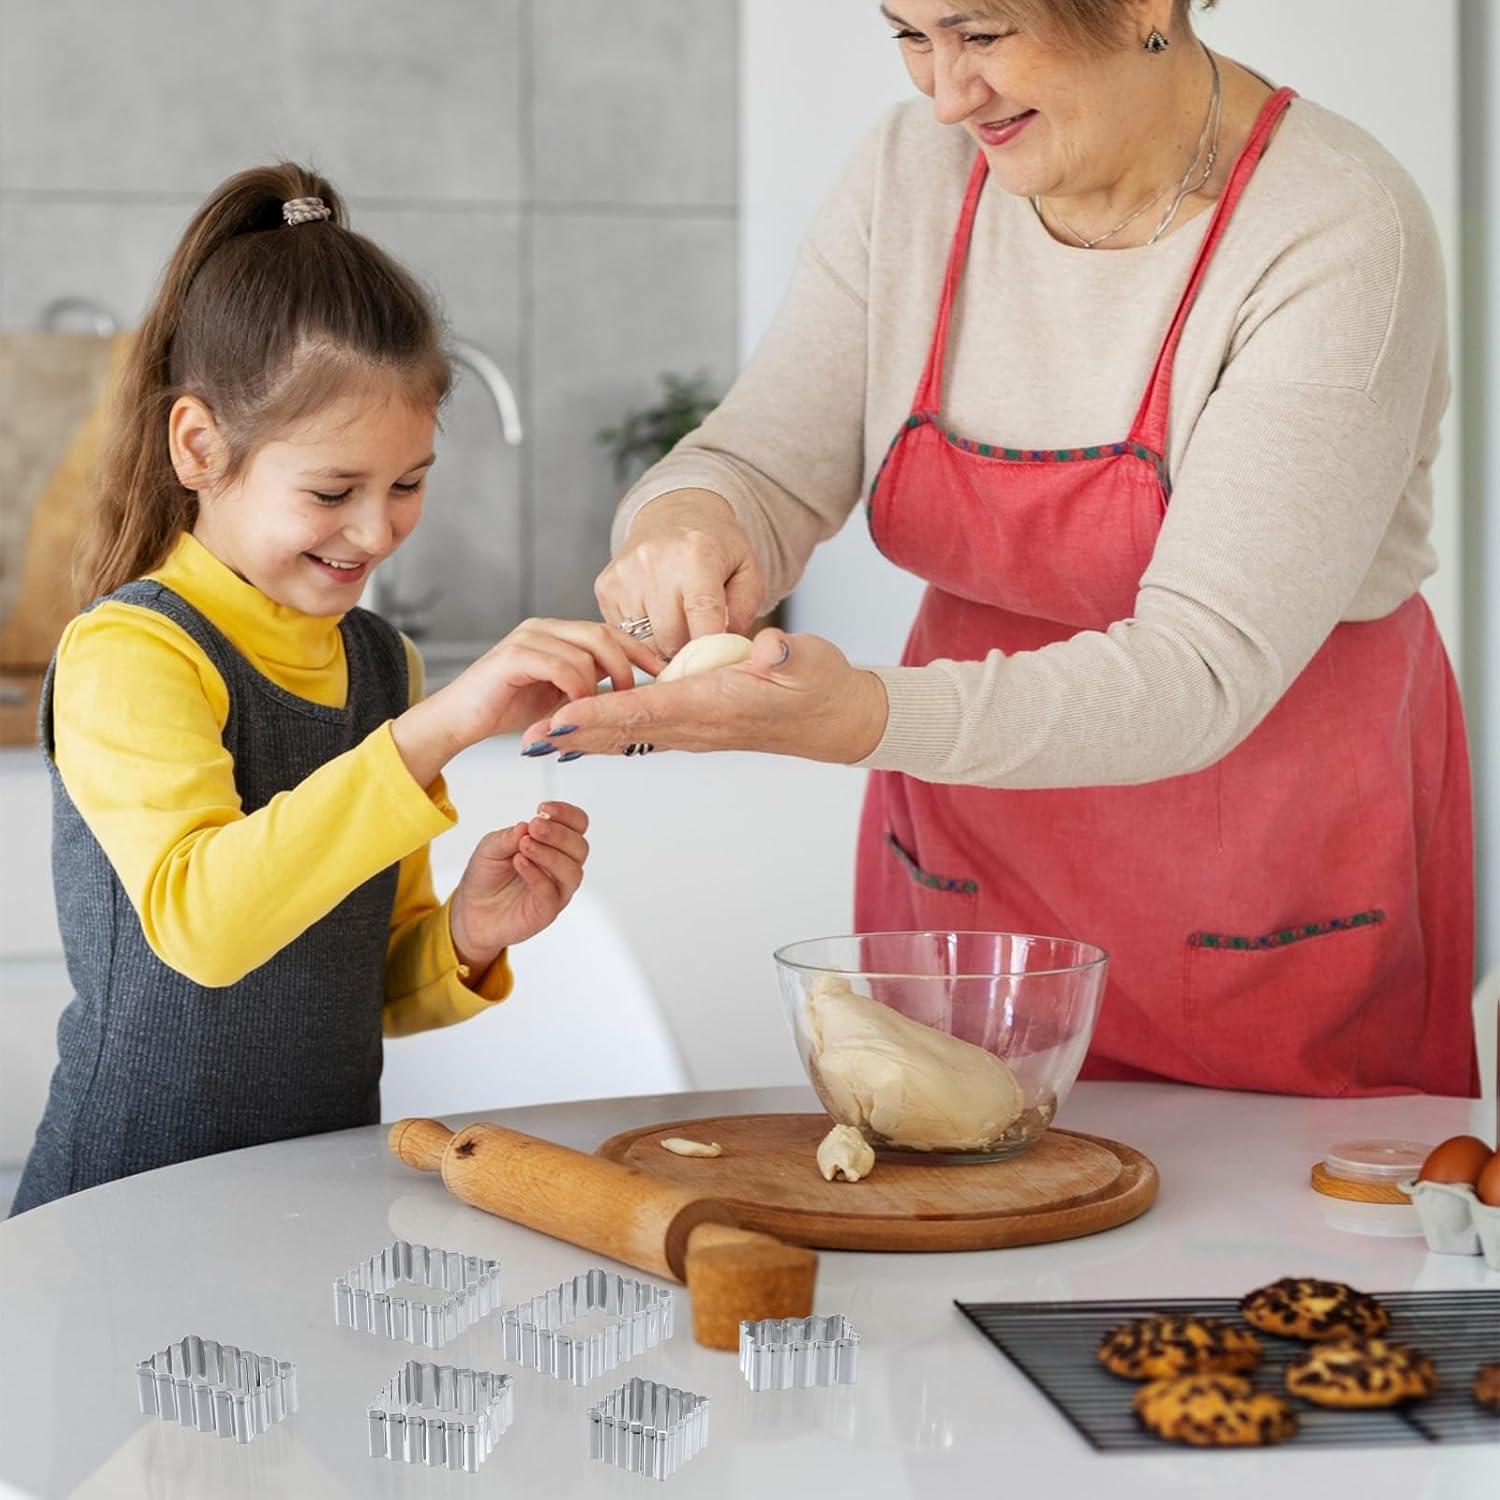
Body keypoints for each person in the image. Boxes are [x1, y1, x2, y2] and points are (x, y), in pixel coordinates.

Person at [526, 0, 1476, 1098]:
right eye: (908, 36)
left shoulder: (1338, 229)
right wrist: (686, 519)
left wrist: (865, 718)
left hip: (1263, 869)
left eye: (978, 36)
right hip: (970, 867)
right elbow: (771, 462)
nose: (942, 94)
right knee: (959, 1198)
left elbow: (1201, 671)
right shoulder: (911, 172)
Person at [11, 164, 659, 1214]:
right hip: (125, 1204)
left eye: (408, 483)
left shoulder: (377, 664)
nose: (377, 530)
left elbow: (372, 984)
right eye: (332, 490)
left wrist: (470, 934)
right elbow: (207, 928)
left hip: (315, 1197)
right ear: (199, 446)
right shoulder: (133, 653)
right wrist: (441, 730)